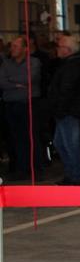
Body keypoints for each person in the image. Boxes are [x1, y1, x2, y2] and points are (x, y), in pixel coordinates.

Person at [0, 36, 44, 180]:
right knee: (16, 138)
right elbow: (2, 82)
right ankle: (21, 169)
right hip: (11, 105)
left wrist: (12, 81)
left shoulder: (34, 62)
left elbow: (30, 79)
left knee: (32, 137)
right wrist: (17, 84)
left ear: (25, 48)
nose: (12, 49)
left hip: (28, 104)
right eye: (12, 46)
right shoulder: (6, 63)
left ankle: (36, 169)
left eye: (16, 46)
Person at [49, 32, 80, 185]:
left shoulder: (72, 67)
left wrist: (59, 109)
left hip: (68, 112)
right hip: (67, 110)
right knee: (60, 143)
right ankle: (71, 173)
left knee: (70, 145)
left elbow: (67, 90)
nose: (57, 49)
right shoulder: (70, 64)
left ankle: (75, 176)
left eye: (60, 47)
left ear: (68, 50)